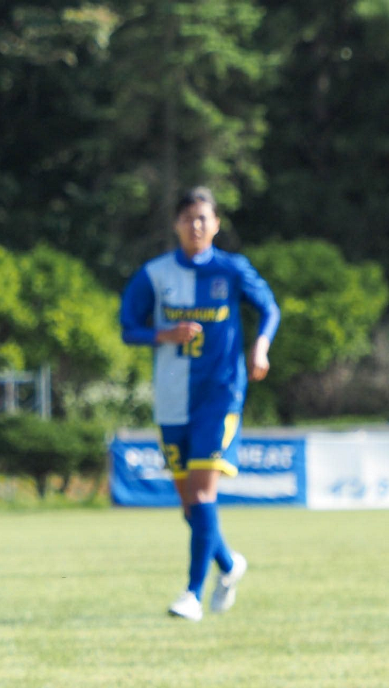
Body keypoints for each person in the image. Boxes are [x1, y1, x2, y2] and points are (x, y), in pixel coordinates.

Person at [120, 186, 281, 621]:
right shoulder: (154, 274)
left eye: (203, 219)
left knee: (203, 492)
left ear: (216, 224)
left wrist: (261, 347)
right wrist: (163, 334)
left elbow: (270, 308)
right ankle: (229, 564)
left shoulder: (231, 270)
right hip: (173, 399)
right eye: (188, 218)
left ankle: (192, 593)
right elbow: (127, 327)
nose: (196, 226)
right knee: (190, 505)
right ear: (176, 224)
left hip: (220, 394)